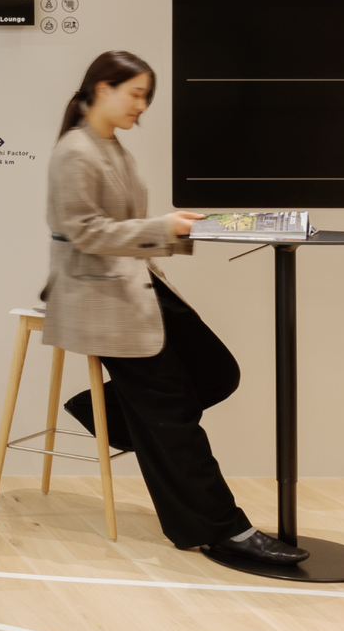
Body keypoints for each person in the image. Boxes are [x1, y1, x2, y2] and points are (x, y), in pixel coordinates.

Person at [42, 49, 308, 566]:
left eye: (146, 97)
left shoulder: (110, 147)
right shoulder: (76, 151)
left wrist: (180, 227)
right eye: (136, 94)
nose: (142, 106)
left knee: (216, 373)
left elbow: (123, 227)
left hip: (138, 283)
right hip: (100, 296)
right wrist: (167, 227)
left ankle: (114, 415)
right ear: (102, 88)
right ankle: (220, 528)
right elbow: (85, 233)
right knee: (173, 415)